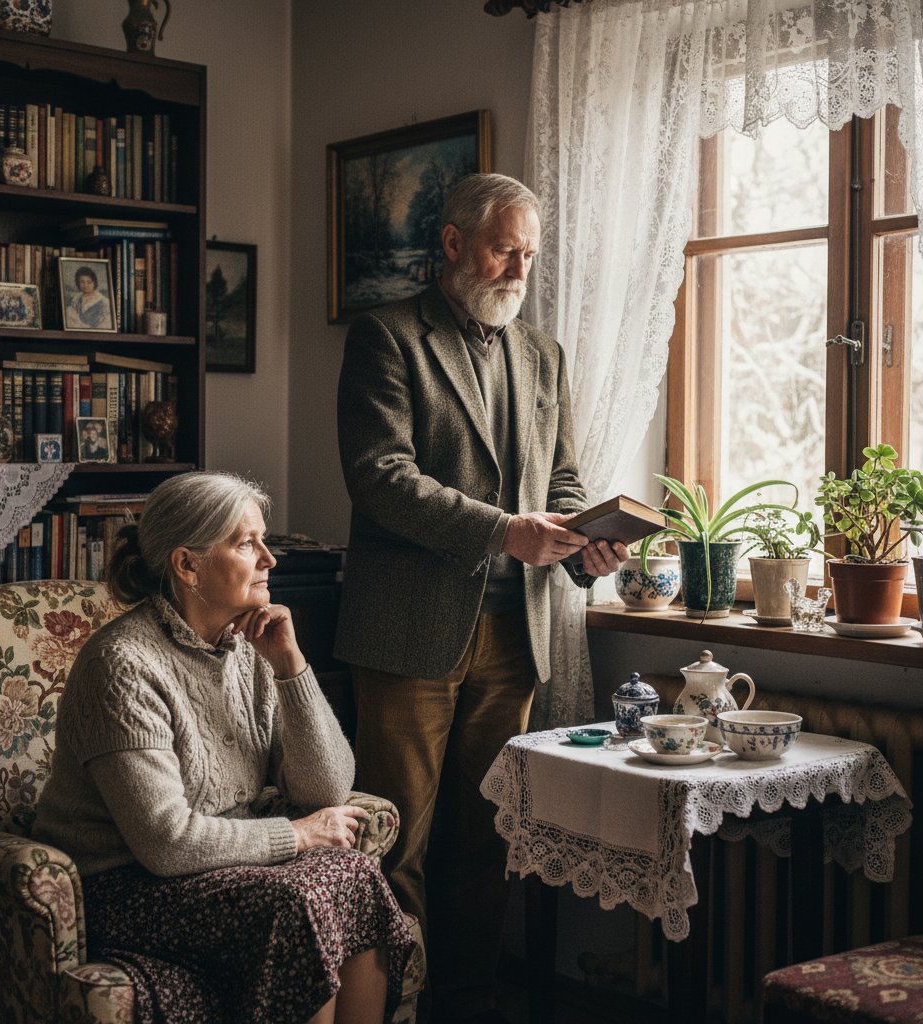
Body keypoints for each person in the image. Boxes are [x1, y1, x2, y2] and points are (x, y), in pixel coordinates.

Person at [334, 173, 628, 1024]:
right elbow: (379, 479)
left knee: (487, 837)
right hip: (411, 631)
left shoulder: (543, 354)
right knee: (399, 844)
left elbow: (560, 478)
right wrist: (505, 532)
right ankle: (392, 1007)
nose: (518, 270)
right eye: (506, 248)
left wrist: (587, 543)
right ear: (454, 243)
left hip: (518, 629)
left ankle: (466, 1002)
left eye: (530, 255)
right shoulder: (385, 337)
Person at [32, 471, 415, 1024]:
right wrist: (298, 834)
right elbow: (166, 843)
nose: (270, 559)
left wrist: (290, 666)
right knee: (296, 902)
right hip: (123, 883)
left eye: (264, 540)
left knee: (353, 873)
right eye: (245, 543)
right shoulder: (122, 666)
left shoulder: (248, 647)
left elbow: (326, 787)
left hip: (218, 863)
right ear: (186, 566)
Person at [64, 265, 114, 329]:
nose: (85, 285)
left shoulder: (104, 301)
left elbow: (107, 324)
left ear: (94, 283)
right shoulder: (77, 298)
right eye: (82, 282)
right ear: (78, 283)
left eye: (89, 282)